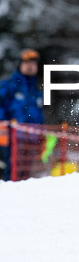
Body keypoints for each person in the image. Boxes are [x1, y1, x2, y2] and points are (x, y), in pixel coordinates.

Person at [0, 49, 45, 180]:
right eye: (26, 63)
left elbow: (39, 115)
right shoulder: (9, 86)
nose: (30, 66)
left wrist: (41, 135)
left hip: (30, 139)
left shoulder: (36, 92)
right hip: (10, 139)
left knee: (25, 174)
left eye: (33, 63)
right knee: (10, 172)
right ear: (20, 65)